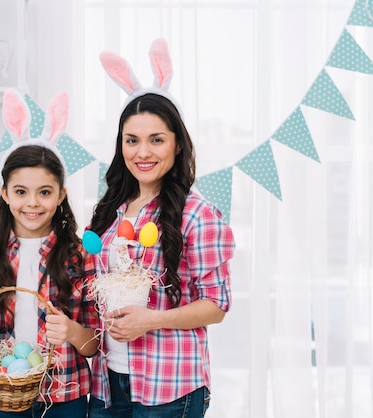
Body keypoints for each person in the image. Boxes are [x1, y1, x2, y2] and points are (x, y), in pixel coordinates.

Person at [87, 40, 235, 418]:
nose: (143, 152)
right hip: (109, 383)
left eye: (157, 140)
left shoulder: (198, 214)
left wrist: (151, 320)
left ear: (177, 145)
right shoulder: (109, 211)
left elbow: (216, 305)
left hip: (170, 387)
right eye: (132, 140)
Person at [0, 144, 100, 418]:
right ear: (5, 194)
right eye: (21, 192)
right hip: (4, 393)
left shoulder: (79, 255)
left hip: (64, 395)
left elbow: (93, 345)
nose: (33, 203)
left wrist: (71, 330)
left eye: (45, 192)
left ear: (61, 195)